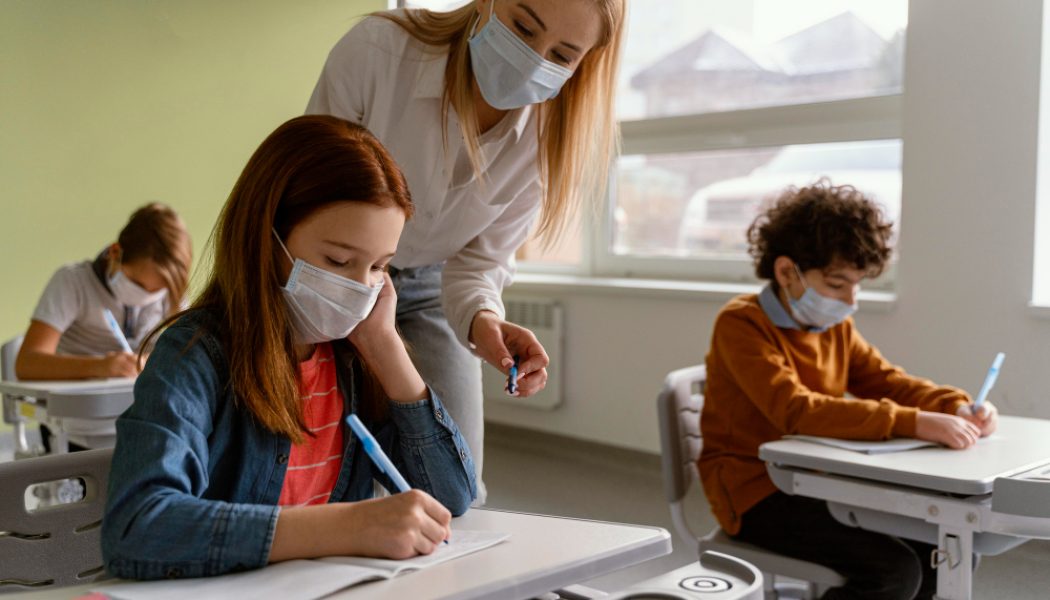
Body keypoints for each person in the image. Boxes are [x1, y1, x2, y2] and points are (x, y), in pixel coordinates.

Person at [101, 115, 476, 579]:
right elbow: (137, 526)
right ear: (267, 238)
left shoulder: (353, 358)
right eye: (338, 260)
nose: (362, 288)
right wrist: (343, 527)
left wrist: (385, 345)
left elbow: (453, 497)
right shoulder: (195, 353)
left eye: (380, 266)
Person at [306, 0, 626, 500]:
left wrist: (484, 322)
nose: (531, 58)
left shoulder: (550, 137)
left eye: (562, 56)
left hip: (431, 287)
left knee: (458, 492)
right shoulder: (379, 51)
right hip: (333, 271)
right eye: (523, 26)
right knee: (326, 478)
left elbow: (478, 263)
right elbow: (309, 195)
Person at [698, 181, 999, 600]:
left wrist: (955, 404)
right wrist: (913, 422)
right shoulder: (741, 325)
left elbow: (886, 380)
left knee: (946, 547)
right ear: (787, 272)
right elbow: (796, 410)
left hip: (819, 479)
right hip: (755, 493)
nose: (850, 300)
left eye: (857, 285)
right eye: (837, 285)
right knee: (892, 573)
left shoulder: (832, 326)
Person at [15, 202, 192, 452]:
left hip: (145, 422)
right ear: (115, 253)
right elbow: (27, 363)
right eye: (138, 284)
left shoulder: (171, 294)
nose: (148, 296)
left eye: (156, 291)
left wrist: (152, 362)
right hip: (78, 426)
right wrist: (100, 366)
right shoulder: (72, 282)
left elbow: (190, 359)